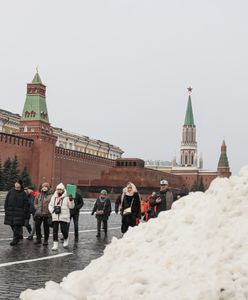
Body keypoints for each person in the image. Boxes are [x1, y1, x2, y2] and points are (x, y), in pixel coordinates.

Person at [49, 183, 74, 250]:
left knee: (64, 230)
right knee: (55, 231)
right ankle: (55, 244)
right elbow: (50, 205)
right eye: (57, 189)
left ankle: (66, 239)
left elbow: (71, 207)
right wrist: (52, 211)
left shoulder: (67, 196)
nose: (58, 191)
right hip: (55, 216)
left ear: (63, 190)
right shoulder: (54, 197)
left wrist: (71, 200)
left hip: (64, 216)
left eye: (60, 189)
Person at [4, 179, 30, 246]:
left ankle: (15, 240)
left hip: (19, 213)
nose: (16, 188)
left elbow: (26, 204)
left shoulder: (23, 193)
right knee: (12, 225)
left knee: (16, 227)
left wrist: (24, 213)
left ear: (21, 186)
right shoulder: (11, 191)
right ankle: (18, 236)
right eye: (15, 187)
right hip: (10, 212)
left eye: (18, 187)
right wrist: (6, 209)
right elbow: (6, 201)